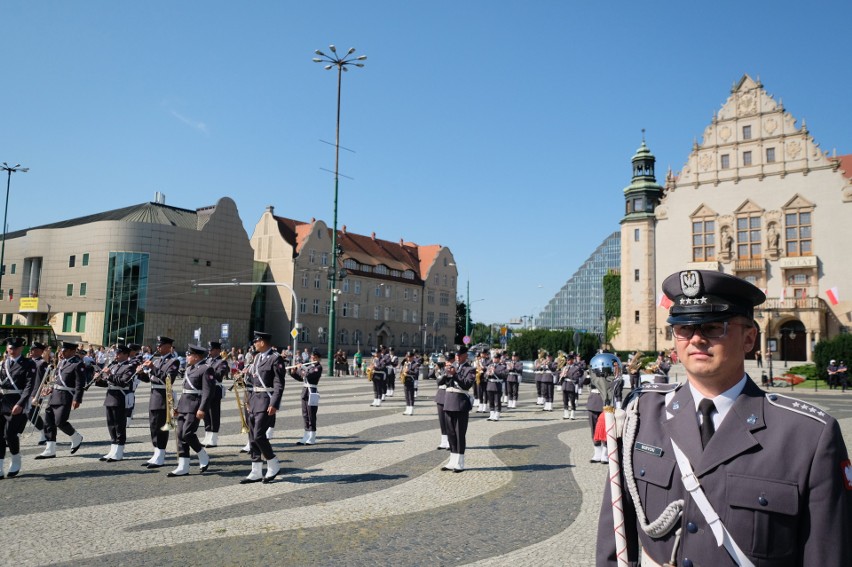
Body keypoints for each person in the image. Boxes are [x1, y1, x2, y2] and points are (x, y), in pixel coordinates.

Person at [597, 269, 852, 566]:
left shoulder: (808, 436)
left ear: (749, 339)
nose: (695, 339)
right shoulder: (642, 415)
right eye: (683, 328)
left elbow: (828, 554)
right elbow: (615, 536)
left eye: (712, 327)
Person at [241, 331, 285, 484]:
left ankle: (273, 462)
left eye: (256, 341)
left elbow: (279, 384)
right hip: (254, 400)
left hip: (266, 401)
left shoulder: (275, 358)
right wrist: (247, 400)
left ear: (263, 342)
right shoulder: (257, 357)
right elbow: (253, 381)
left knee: (259, 435)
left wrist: (274, 403)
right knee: (252, 436)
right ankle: (256, 470)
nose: (254, 343)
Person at [168, 344, 215, 477]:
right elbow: (185, 390)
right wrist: (177, 407)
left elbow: (208, 392)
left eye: (189, 355)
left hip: (195, 406)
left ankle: (202, 454)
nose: (186, 357)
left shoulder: (206, 369)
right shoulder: (189, 369)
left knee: (187, 433)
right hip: (184, 405)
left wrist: (202, 408)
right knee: (180, 435)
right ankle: (183, 466)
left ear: (195, 356)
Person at [36, 341, 87, 460]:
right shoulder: (61, 362)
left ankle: (75, 436)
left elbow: (80, 384)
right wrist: (50, 388)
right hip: (54, 395)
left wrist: (77, 399)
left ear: (72, 351)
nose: (61, 352)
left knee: (60, 421)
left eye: (64, 351)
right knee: (49, 422)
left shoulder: (78, 364)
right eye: (61, 350)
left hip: (66, 396)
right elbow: (57, 379)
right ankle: (50, 449)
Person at [135, 336, 180, 468]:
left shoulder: (173, 361)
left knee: (161, 426)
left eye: (160, 345)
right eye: (158, 345)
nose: (158, 347)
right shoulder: (158, 360)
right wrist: (140, 373)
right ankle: (156, 453)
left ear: (168, 346)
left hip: (163, 396)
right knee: (153, 426)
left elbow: (168, 379)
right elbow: (150, 379)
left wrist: (153, 368)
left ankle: (160, 455)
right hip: (154, 396)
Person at [89, 344, 136, 462]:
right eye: (116, 353)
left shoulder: (129, 367)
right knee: (111, 425)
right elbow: (107, 383)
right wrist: (99, 379)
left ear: (126, 354)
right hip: (110, 397)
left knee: (119, 425)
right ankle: (113, 449)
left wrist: (109, 375)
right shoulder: (114, 366)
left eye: (119, 353)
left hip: (120, 398)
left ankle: (119, 451)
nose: (117, 355)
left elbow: (124, 382)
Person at [0, 337, 37, 477]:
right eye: (10, 348)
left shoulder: (28, 364)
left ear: (21, 348)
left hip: (17, 402)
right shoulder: (3, 364)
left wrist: (20, 404)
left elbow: (29, 386)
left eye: (15, 348)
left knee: (9, 434)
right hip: (2, 401)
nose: (12, 351)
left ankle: (16, 458)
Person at [441, 345, 475, 472]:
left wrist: (455, 375)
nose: (457, 357)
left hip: (460, 403)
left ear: (465, 355)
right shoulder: (452, 367)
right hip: (449, 402)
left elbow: (466, 385)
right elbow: (442, 383)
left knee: (459, 433)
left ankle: (460, 462)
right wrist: (446, 374)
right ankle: (452, 460)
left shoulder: (470, 369)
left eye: (460, 355)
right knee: (451, 433)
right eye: (456, 355)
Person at [201, 340, 228, 448]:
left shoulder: (222, 362)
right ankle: (207, 434)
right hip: (205, 389)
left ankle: (214, 437)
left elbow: (219, 375)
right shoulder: (207, 360)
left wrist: (207, 370)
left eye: (211, 350)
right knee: (205, 413)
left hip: (215, 389)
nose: (209, 351)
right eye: (209, 350)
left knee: (214, 413)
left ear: (217, 350)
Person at [291, 348, 322, 445]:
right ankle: (306, 434)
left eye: (315, 357)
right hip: (305, 391)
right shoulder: (309, 366)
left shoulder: (318, 367)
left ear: (318, 358)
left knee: (311, 413)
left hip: (312, 391)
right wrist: (294, 372)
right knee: (305, 414)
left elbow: (308, 375)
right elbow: (301, 378)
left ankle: (312, 436)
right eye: (312, 356)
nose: (313, 358)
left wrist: (302, 368)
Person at [432, 352, 453, 449]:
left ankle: (450, 441)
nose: (446, 362)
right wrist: (436, 368)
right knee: (442, 420)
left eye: (448, 360)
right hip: (441, 394)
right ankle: (443, 441)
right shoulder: (440, 369)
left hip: (449, 394)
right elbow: (431, 375)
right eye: (445, 360)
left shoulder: (452, 369)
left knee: (448, 419)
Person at [484, 351, 508, 421]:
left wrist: (495, 372)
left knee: (497, 401)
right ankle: (491, 414)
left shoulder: (502, 366)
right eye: (494, 358)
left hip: (497, 385)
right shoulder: (489, 366)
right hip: (489, 385)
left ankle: (497, 414)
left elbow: (504, 375)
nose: (495, 359)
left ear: (499, 359)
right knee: (491, 401)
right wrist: (487, 374)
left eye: (496, 358)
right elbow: (485, 375)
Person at [401, 351, 421, 416]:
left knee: (411, 395)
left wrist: (408, 371)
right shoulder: (406, 363)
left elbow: (416, 373)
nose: (408, 358)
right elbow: (403, 370)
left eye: (410, 357)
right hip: (406, 380)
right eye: (407, 357)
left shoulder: (416, 364)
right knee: (406, 395)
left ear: (413, 357)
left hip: (412, 381)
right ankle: (407, 408)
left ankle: (411, 409)